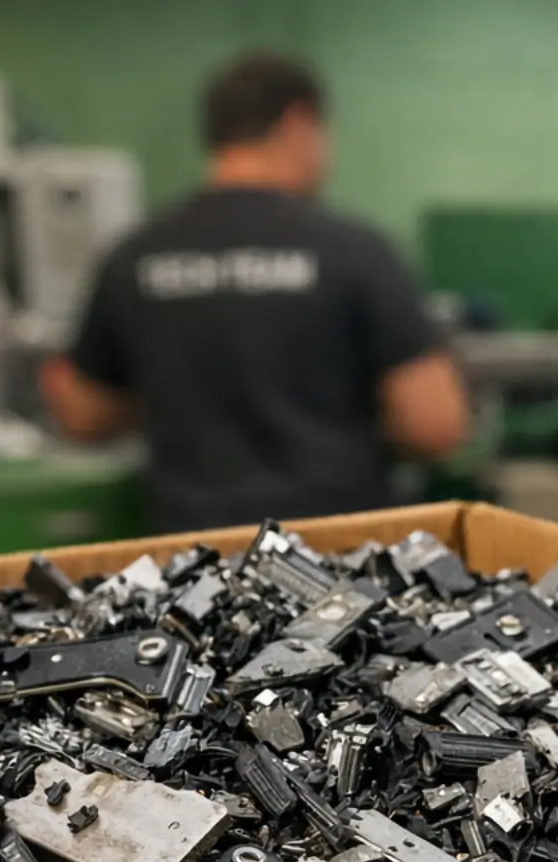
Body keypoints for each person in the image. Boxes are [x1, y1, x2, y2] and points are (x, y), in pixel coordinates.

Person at [41, 52, 469, 533]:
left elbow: (82, 414)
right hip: (336, 560)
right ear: (299, 123)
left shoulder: (136, 256)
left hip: (192, 565)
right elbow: (435, 425)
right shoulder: (353, 251)